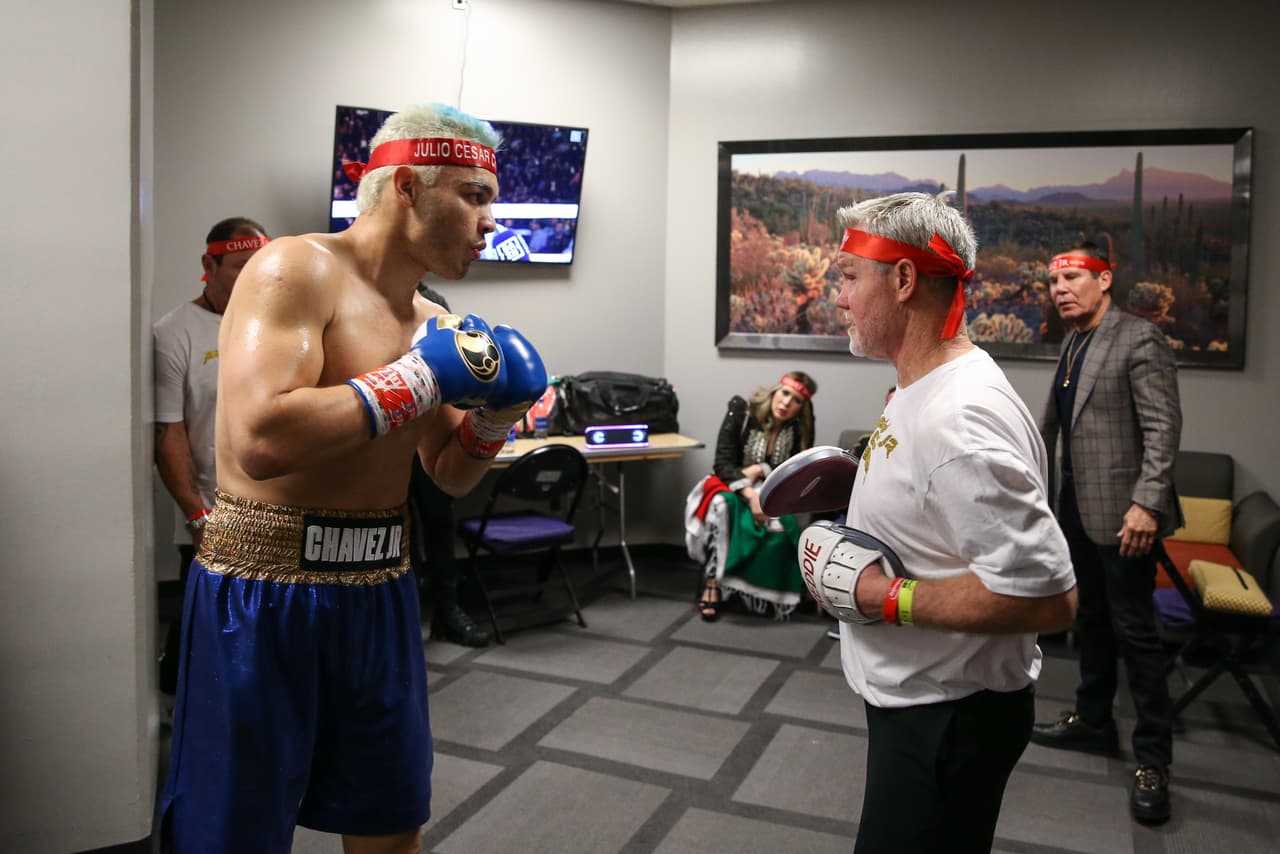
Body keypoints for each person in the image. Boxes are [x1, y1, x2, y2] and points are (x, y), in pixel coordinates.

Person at [158, 102, 547, 854]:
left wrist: (494, 422)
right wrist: (414, 383)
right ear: (407, 186)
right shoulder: (295, 268)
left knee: (390, 822)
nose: (489, 221)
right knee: (231, 835)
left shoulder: (435, 319)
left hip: (379, 594)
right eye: (474, 196)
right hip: (263, 592)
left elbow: (447, 474)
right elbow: (261, 437)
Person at [820, 191, 1077, 852]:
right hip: (925, 703)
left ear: (904, 280)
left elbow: (1047, 598)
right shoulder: (923, 384)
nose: (837, 295)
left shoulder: (959, 418)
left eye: (850, 276)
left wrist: (885, 597)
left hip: (948, 717)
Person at [1030, 237, 1182, 824]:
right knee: (1088, 619)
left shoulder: (1138, 337)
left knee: (1136, 634)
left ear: (1105, 280)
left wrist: (1147, 504)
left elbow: (1163, 428)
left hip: (1125, 518)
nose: (1061, 290)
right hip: (1077, 511)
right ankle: (1093, 720)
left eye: (1073, 279)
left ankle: (1152, 760)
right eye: (1053, 282)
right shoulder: (1073, 342)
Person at [153, 216, 269, 694]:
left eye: (258, 266)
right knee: (200, 623)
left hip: (275, 504)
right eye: (240, 266)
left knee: (264, 628)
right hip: (212, 509)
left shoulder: (274, 325)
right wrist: (197, 515)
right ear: (210, 264)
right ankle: (178, 704)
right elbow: (169, 430)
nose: (252, 277)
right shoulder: (174, 332)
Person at [684, 371, 818, 621]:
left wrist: (762, 471)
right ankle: (712, 584)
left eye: (797, 400)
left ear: (802, 407)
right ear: (775, 391)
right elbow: (722, 462)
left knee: (784, 525)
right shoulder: (742, 412)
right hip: (732, 484)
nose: (787, 403)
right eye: (785, 393)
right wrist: (750, 493)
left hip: (772, 489)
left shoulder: (800, 429)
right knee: (722, 507)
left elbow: (795, 469)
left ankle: (766, 594)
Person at [410, 282, 492, 647]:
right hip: (383, 444)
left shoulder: (435, 305)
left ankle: (448, 611)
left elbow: (452, 380)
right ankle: (407, 620)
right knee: (399, 535)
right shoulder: (362, 301)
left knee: (440, 527)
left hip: (432, 439)